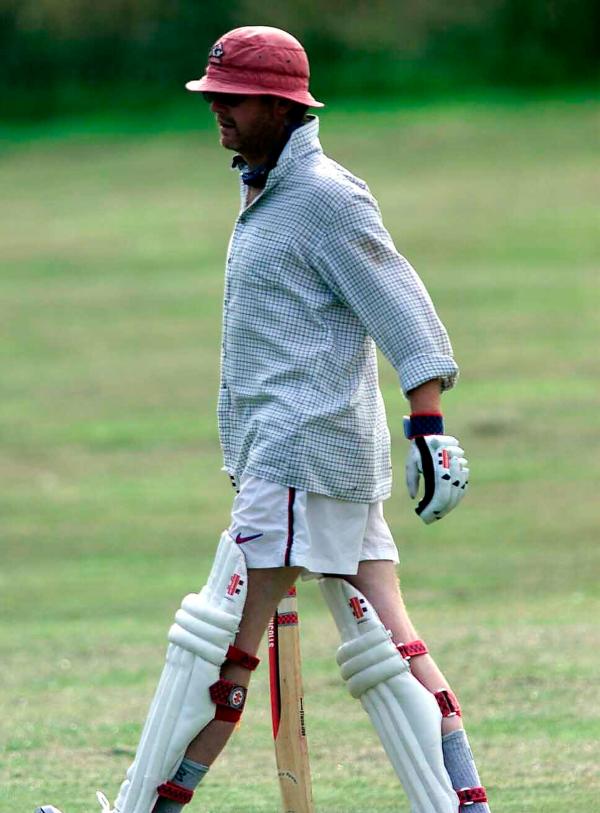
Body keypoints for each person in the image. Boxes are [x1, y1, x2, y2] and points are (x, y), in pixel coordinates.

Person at [37, 25, 490, 813]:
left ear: (281, 106)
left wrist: (429, 422)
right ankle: (465, 804)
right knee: (388, 645)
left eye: (232, 100)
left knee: (215, 652)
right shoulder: (267, 186)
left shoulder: (323, 196)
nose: (218, 112)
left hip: (298, 457)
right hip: (313, 458)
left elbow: (400, 302)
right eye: (213, 98)